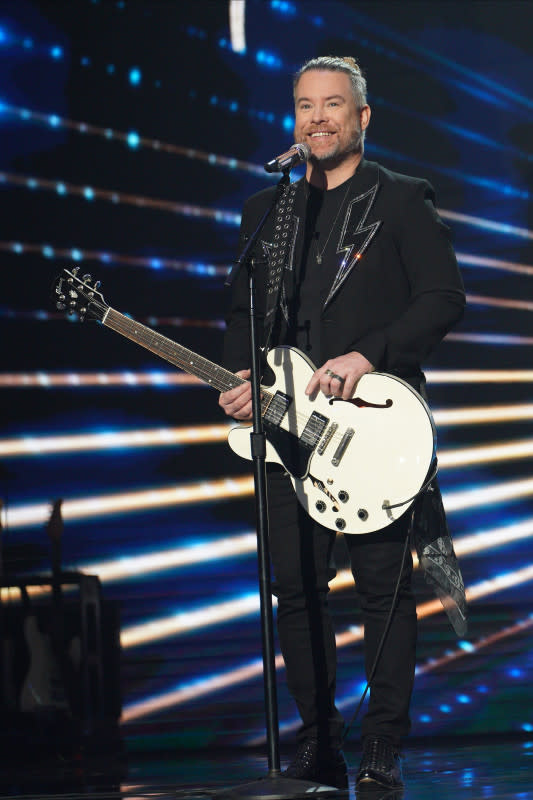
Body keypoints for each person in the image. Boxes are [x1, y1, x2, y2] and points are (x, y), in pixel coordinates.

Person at [219, 55, 466, 791]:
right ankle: (316, 738)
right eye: (303, 105)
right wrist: (237, 376)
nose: (316, 118)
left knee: (381, 590)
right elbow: (243, 315)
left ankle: (382, 744)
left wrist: (370, 352)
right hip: (287, 435)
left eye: (331, 105)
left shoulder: (397, 200)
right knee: (294, 589)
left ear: (362, 117)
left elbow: (442, 297)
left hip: (372, 430)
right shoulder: (267, 210)